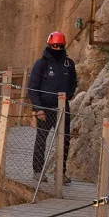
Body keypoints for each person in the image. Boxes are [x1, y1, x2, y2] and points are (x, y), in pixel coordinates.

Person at [28, 31, 78, 181]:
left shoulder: (69, 64)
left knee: (64, 140)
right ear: (49, 45)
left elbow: (73, 83)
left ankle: (60, 173)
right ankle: (38, 171)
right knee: (41, 138)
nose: (57, 48)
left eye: (60, 46)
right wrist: (38, 108)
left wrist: (68, 96)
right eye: (54, 46)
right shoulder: (41, 64)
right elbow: (33, 87)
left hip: (63, 108)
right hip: (45, 109)